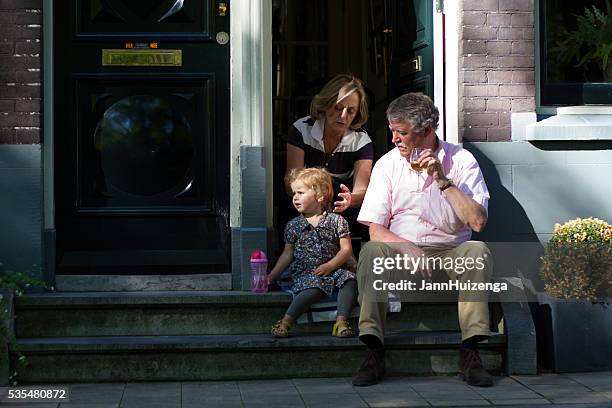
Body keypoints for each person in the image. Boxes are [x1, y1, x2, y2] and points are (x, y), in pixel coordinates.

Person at [351, 93, 494, 387]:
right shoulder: (387, 165)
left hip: (450, 251)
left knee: (477, 252)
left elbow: (478, 222)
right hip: (404, 254)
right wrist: (406, 247)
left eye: (401, 133)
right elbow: (375, 228)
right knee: (371, 251)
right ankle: (373, 350)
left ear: (427, 130)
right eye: (392, 131)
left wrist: (444, 181)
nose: (394, 139)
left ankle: (470, 352)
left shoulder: (461, 160)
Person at [267, 167, 358, 338]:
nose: (295, 197)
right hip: (306, 272)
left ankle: (341, 321)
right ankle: (286, 321)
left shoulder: (337, 221)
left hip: (334, 267)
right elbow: (287, 254)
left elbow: (346, 250)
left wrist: (331, 266)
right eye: (294, 193)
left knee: (350, 281)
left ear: (320, 195)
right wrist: (271, 276)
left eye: (300, 192)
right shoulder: (293, 225)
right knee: (314, 287)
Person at [285, 74, 373, 227]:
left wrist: (350, 199)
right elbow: (291, 182)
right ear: (325, 105)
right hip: (304, 203)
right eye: (338, 108)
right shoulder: (302, 130)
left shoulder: (361, 142)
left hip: (340, 209)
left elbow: (361, 191)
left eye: (351, 111)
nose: (343, 116)